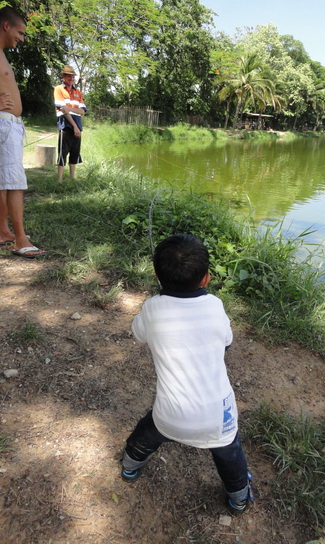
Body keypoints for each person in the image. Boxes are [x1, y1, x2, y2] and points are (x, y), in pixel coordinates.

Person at [120, 233, 254, 515]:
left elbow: (138, 333)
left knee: (146, 433)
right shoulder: (215, 306)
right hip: (219, 418)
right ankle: (239, 498)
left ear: (157, 276)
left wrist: (152, 303)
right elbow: (226, 341)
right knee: (230, 454)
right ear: (205, 279)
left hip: (169, 416)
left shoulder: (152, 307)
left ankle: (130, 467)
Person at [0, 6, 46, 258]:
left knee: (2, 180)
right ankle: (21, 240)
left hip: (6, 124)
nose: (21, 38)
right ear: (6, 26)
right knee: (14, 182)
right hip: (0, 123)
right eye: (20, 32)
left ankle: (3, 231)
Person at [54, 65, 87, 183]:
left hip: (78, 127)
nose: (71, 78)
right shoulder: (58, 89)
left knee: (75, 153)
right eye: (69, 76)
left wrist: (70, 109)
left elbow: (83, 111)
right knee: (62, 153)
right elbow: (63, 110)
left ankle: (73, 179)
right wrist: (74, 126)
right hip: (65, 127)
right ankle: (60, 181)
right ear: (64, 76)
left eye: (73, 76)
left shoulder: (78, 92)